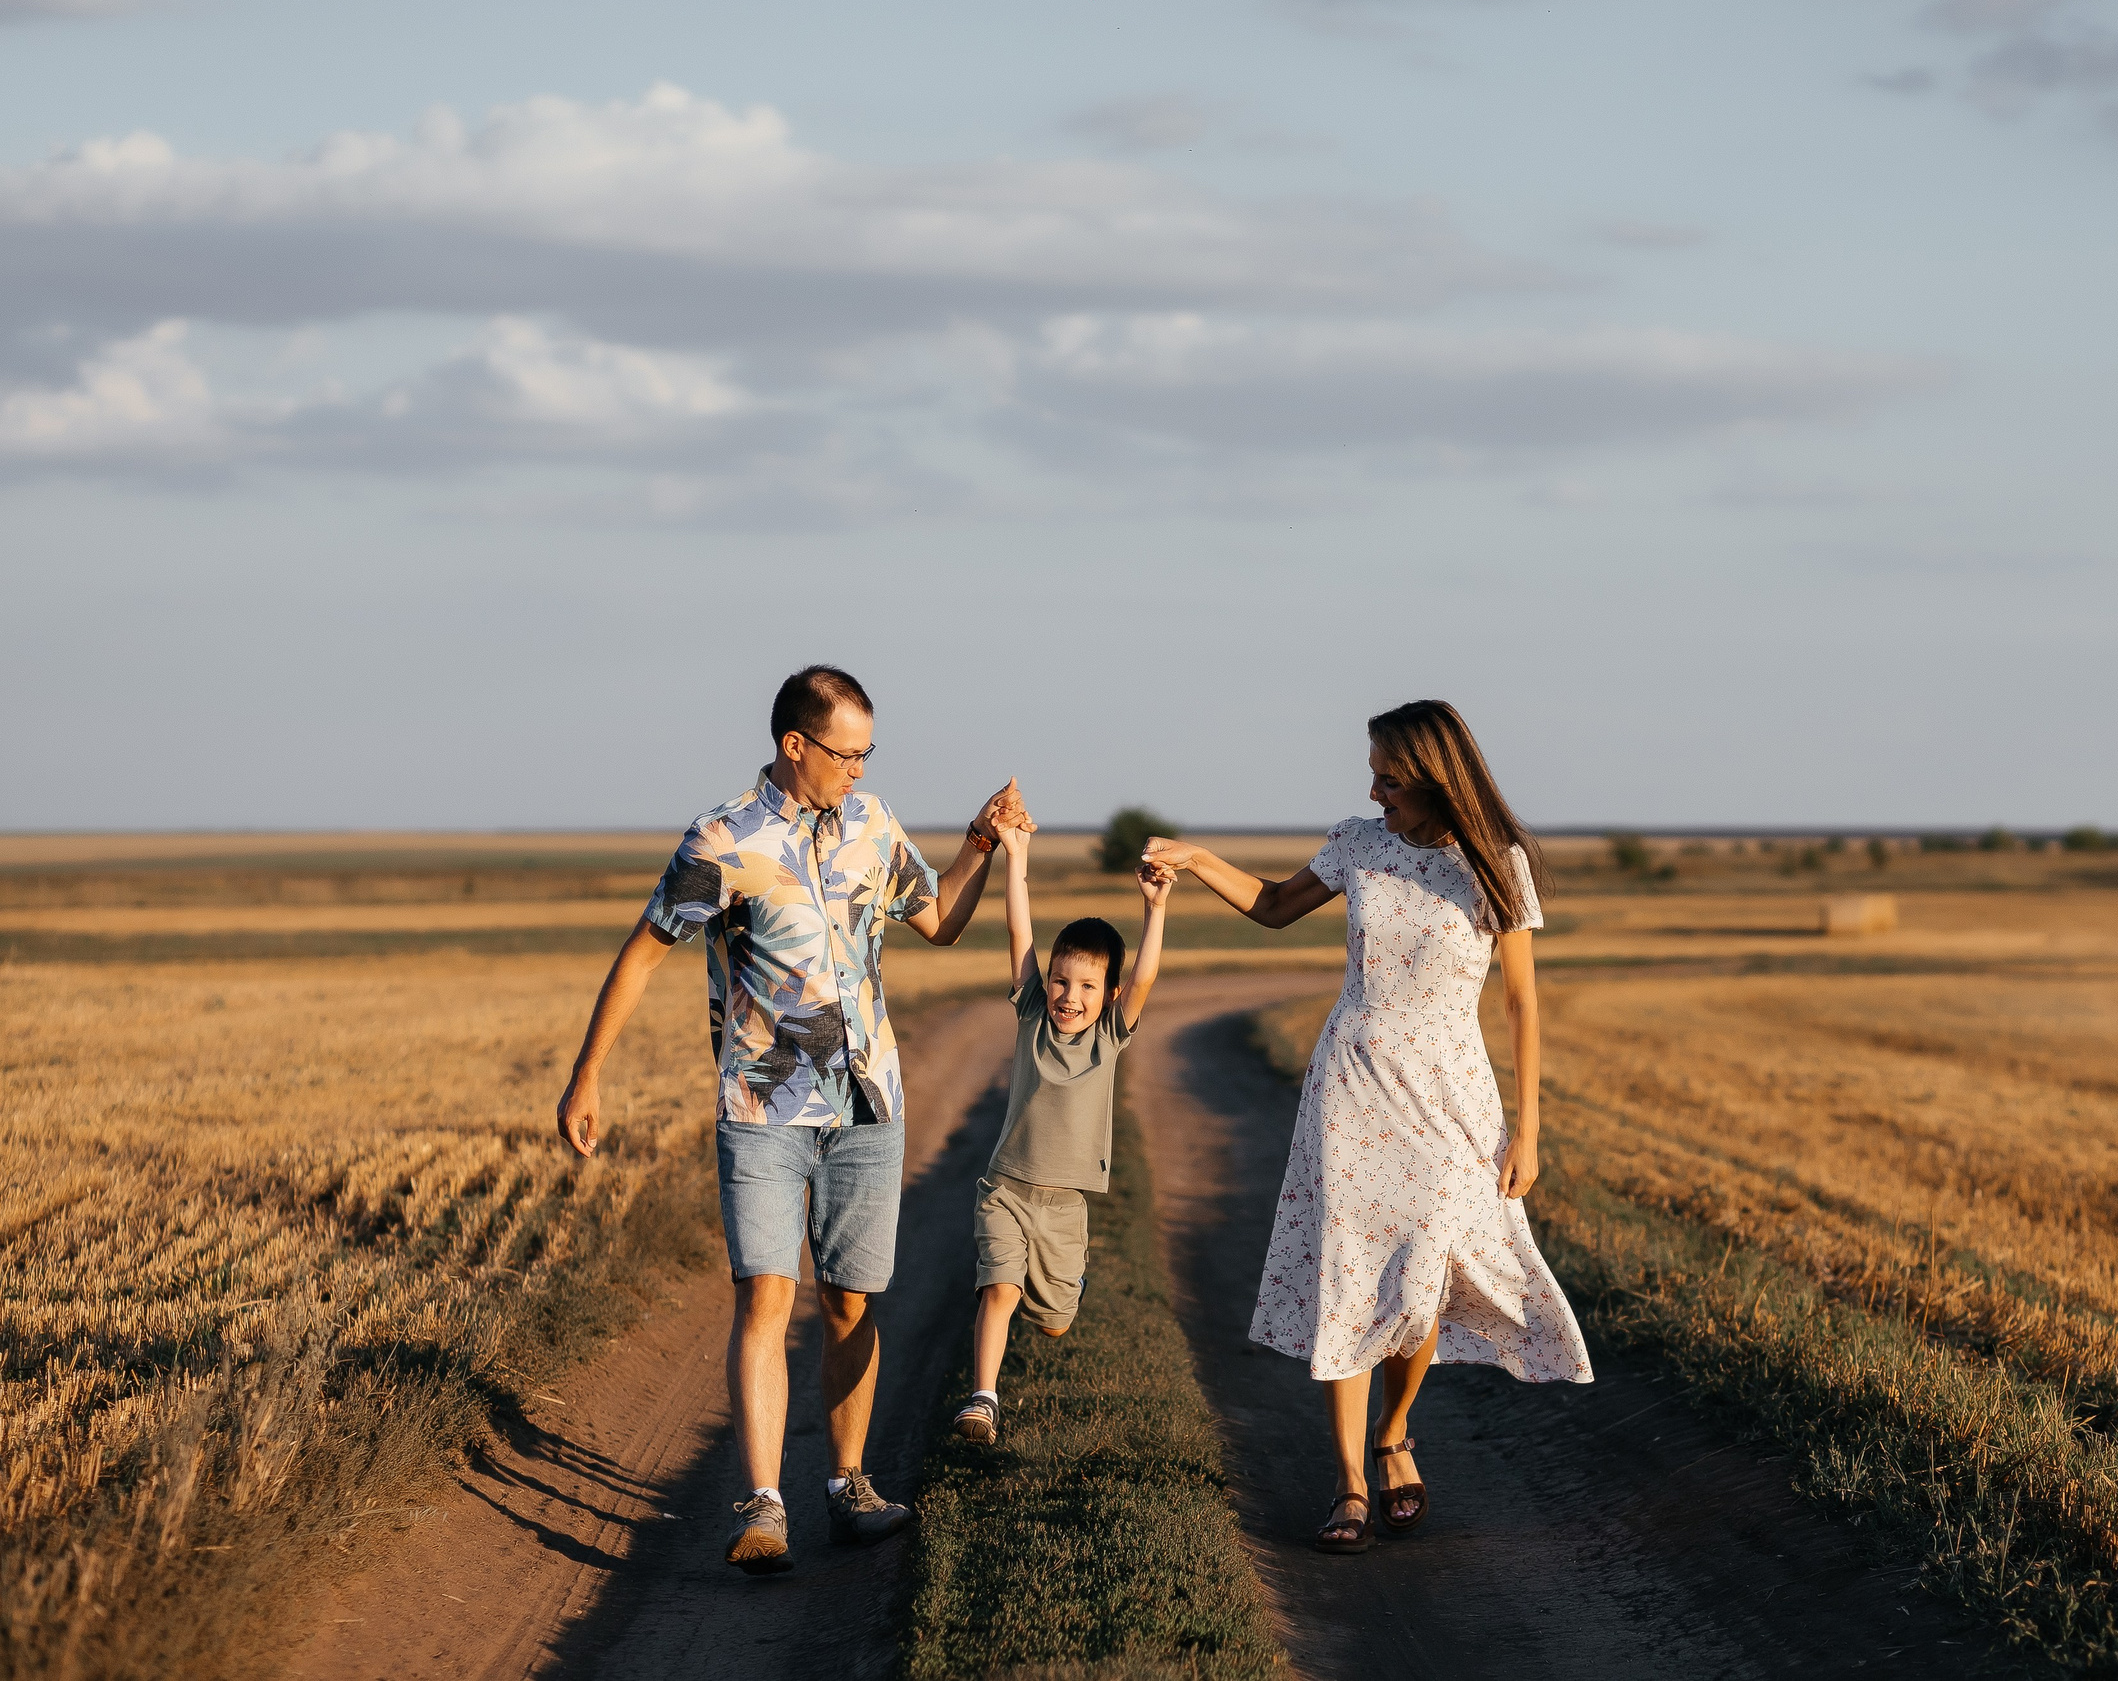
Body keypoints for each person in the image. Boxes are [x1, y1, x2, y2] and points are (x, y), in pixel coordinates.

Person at [554, 664, 1029, 1576]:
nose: (858, 768)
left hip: (869, 1103)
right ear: (794, 744)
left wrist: (979, 841)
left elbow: (940, 922)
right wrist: (588, 1075)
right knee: (765, 1297)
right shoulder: (723, 839)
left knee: (851, 1302)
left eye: (867, 752)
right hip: (762, 1105)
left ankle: (849, 1485)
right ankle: (764, 1504)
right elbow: (645, 953)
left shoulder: (874, 824)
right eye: (845, 753)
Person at [1141, 699, 1590, 1554]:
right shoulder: (1356, 842)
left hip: (1454, 1098)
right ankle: (1350, 1478)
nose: (1372, 785)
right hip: (1352, 1086)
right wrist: (1197, 859)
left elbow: (1525, 1002)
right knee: (1351, 1269)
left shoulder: (1500, 864)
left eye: (1386, 772)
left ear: (1429, 774)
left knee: (1424, 1267)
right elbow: (1273, 906)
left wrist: (1529, 1125)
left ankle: (1394, 1432)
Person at [951, 810, 1172, 1442]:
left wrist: (1155, 909)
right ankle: (982, 1400)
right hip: (1007, 1188)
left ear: (1107, 995)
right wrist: (1016, 856)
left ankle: (1063, 1286)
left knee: (1054, 1322)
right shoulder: (1030, 1018)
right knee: (998, 1289)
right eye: (1059, 980)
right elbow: (1019, 931)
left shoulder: (1109, 1035)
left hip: (1065, 1205)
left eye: (1084, 985)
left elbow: (1146, 976)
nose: (1068, 996)